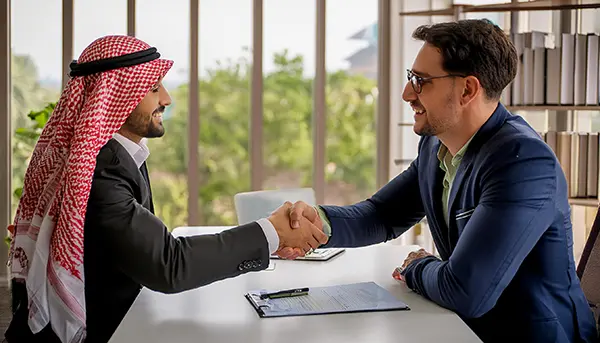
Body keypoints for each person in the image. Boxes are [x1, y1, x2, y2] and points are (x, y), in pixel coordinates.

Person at [281, 19, 599, 343]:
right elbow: (382, 214)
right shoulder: (437, 145)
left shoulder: (523, 162)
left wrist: (416, 268)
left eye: (421, 81)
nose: (407, 93)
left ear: (467, 90)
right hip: (467, 330)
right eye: (411, 78)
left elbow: (465, 291)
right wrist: (317, 221)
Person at [3, 35, 327, 343]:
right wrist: (271, 232)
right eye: (154, 88)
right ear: (118, 96)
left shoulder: (115, 155)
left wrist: (267, 236)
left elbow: (152, 250)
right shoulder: (101, 171)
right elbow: (169, 265)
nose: (166, 99)